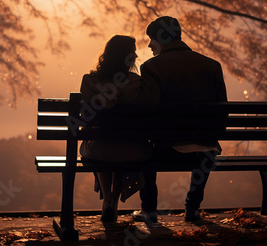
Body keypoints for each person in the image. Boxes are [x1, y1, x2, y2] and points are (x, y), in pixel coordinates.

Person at [132, 16, 228, 223]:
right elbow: (223, 108)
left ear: (160, 38)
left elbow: (147, 109)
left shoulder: (151, 67)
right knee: (202, 149)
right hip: (207, 150)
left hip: (168, 150)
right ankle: (192, 209)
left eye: (151, 39)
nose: (149, 45)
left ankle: (149, 210)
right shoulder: (212, 65)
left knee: (143, 150)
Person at [79, 35, 151, 223]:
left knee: (101, 141)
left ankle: (108, 199)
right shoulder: (136, 82)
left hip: (99, 149)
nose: (136, 55)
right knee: (120, 142)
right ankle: (114, 200)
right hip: (131, 150)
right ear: (129, 57)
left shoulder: (89, 80)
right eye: (133, 52)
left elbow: (84, 120)